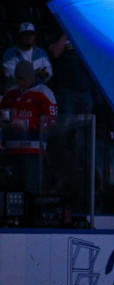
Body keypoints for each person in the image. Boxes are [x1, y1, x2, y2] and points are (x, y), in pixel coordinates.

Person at [0, 60, 57, 194]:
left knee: (31, 190)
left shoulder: (44, 93)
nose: (21, 82)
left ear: (31, 77)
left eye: (24, 79)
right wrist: (7, 123)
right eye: (18, 79)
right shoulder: (10, 94)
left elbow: (52, 121)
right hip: (11, 151)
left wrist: (27, 124)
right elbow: (2, 116)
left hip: (33, 151)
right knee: (11, 191)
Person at [2, 22, 53, 90]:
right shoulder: (10, 53)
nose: (28, 37)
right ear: (19, 36)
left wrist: (45, 74)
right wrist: (34, 73)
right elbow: (10, 74)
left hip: (37, 90)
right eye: (25, 34)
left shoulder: (41, 52)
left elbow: (49, 72)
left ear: (34, 36)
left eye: (31, 34)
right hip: (16, 92)